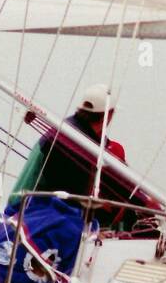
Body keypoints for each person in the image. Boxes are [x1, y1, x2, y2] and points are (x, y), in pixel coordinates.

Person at [11, 84, 153, 217]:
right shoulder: (76, 141)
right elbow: (110, 179)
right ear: (108, 114)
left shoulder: (73, 130)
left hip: (28, 207)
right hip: (31, 213)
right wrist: (144, 203)